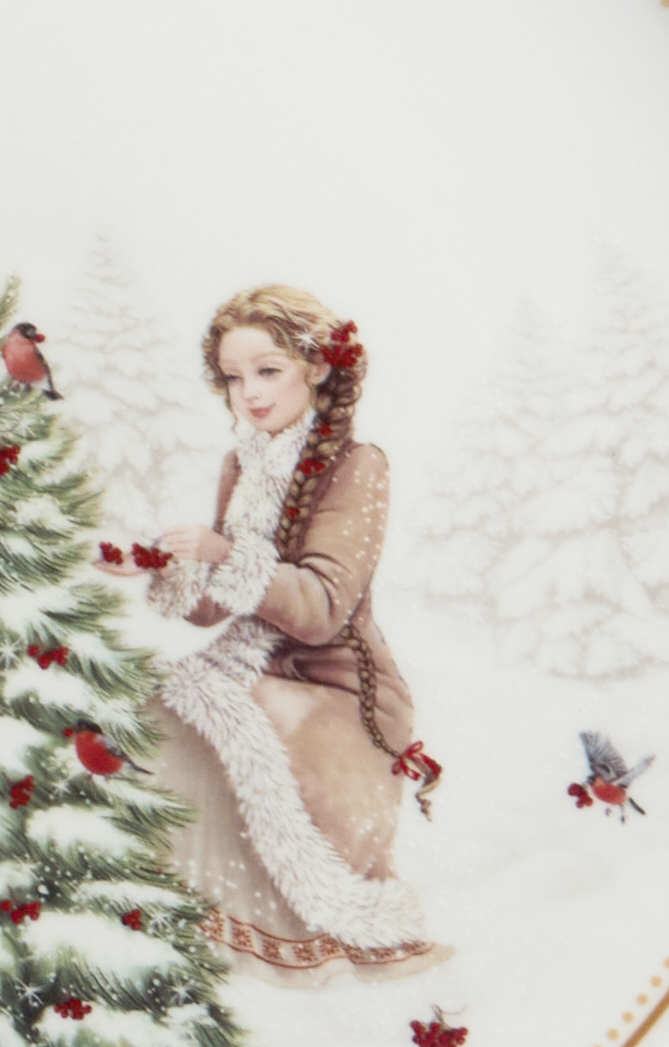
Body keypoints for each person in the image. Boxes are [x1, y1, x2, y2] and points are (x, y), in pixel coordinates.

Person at [140, 284, 446, 976]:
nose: (248, 392)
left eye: (267, 370)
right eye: (233, 377)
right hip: (251, 668)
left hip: (343, 692)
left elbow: (321, 608)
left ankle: (284, 949)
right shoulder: (242, 465)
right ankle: (187, 928)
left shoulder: (356, 465)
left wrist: (225, 555)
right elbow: (214, 611)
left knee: (243, 720)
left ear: (315, 367)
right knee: (158, 711)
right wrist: (169, 565)